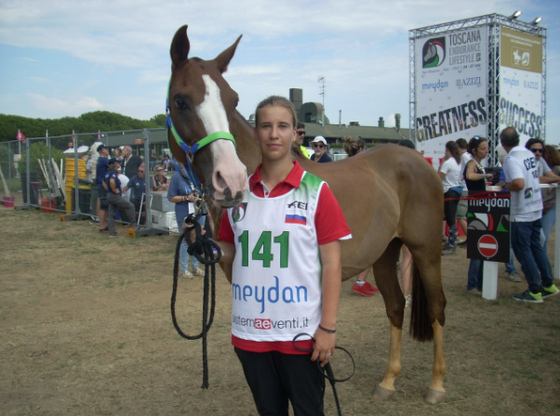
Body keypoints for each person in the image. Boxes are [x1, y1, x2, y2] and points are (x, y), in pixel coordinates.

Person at [216, 96, 351, 415]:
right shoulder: (237, 194)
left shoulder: (317, 191)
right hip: (250, 333)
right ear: (255, 133)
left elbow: (332, 263)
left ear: (295, 134)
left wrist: (328, 329)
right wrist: (203, 243)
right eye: (265, 126)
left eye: (282, 126)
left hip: (301, 334)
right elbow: (228, 252)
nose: (273, 134)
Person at [497, 127, 559, 302]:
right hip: (535, 207)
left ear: (502, 143)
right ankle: (548, 284)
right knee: (536, 248)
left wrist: (505, 185)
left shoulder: (511, 159)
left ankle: (534, 289)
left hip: (522, 211)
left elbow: (518, 183)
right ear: (518, 139)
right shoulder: (528, 154)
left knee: (523, 250)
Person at [342, 136, 378, 297]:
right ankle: (360, 282)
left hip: (348, 211)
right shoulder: (363, 165)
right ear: (362, 148)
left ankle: (360, 281)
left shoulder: (344, 164)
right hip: (361, 212)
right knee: (372, 246)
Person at [464, 136, 493, 295]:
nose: (486, 151)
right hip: (476, 208)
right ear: (474, 150)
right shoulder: (472, 164)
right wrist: (484, 176)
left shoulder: (479, 165)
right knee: (478, 248)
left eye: (486, 148)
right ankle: (472, 283)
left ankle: (479, 281)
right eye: (483, 148)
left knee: (482, 247)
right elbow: (469, 176)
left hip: (482, 207)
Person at [167, 163, 206, 278]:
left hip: (199, 211)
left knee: (197, 240)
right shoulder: (176, 177)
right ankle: (184, 269)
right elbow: (170, 197)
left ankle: (195, 267)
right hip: (185, 214)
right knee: (186, 241)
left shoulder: (197, 176)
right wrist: (185, 198)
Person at [439, 141, 463, 255]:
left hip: (448, 191)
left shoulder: (448, 163)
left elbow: (439, 177)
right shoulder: (458, 162)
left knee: (450, 219)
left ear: (447, 150)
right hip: (457, 190)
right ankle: (450, 242)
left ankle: (452, 245)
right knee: (451, 217)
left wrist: (442, 162)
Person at [103, 158, 136, 237]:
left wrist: (109, 190)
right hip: (114, 196)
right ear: (114, 164)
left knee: (111, 214)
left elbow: (104, 182)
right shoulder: (113, 172)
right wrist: (114, 190)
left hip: (109, 195)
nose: (119, 164)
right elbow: (111, 181)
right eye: (117, 163)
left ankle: (112, 232)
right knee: (130, 206)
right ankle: (134, 224)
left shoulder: (108, 173)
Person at [541, 145, 560, 247]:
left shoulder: (556, 169)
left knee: (544, 236)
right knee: (540, 238)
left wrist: (555, 184)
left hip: (551, 205)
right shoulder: (540, 168)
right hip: (540, 205)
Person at [455, 138, 469, 244]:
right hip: (465, 188)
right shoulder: (468, 156)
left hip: (463, 189)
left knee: (460, 216)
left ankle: (470, 238)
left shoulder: (464, 157)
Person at [95, 144, 110, 232]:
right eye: (105, 149)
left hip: (102, 184)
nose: (107, 150)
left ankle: (103, 224)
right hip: (103, 184)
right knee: (104, 206)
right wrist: (120, 156)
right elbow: (113, 165)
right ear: (101, 151)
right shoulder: (103, 159)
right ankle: (102, 226)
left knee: (105, 206)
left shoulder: (100, 159)